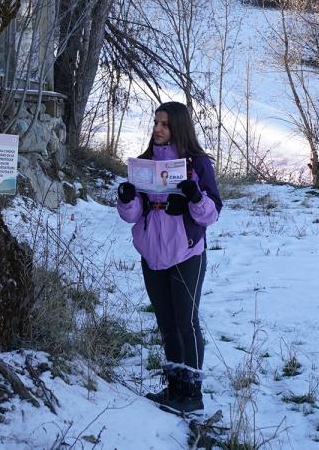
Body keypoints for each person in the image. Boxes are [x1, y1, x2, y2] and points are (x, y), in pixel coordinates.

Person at [116, 101, 222, 414]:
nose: (158, 129)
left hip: (186, 250)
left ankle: (193, 393)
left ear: (178, 127)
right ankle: (175, 387)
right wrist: (126, 200)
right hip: (152, 253)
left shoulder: (198, 163)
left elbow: (211, 214)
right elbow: (134, 214)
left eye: (164, 124)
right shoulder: (145, 163)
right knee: (166, 323)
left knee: (185, 322)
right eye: (156, 123)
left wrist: (194, 198)